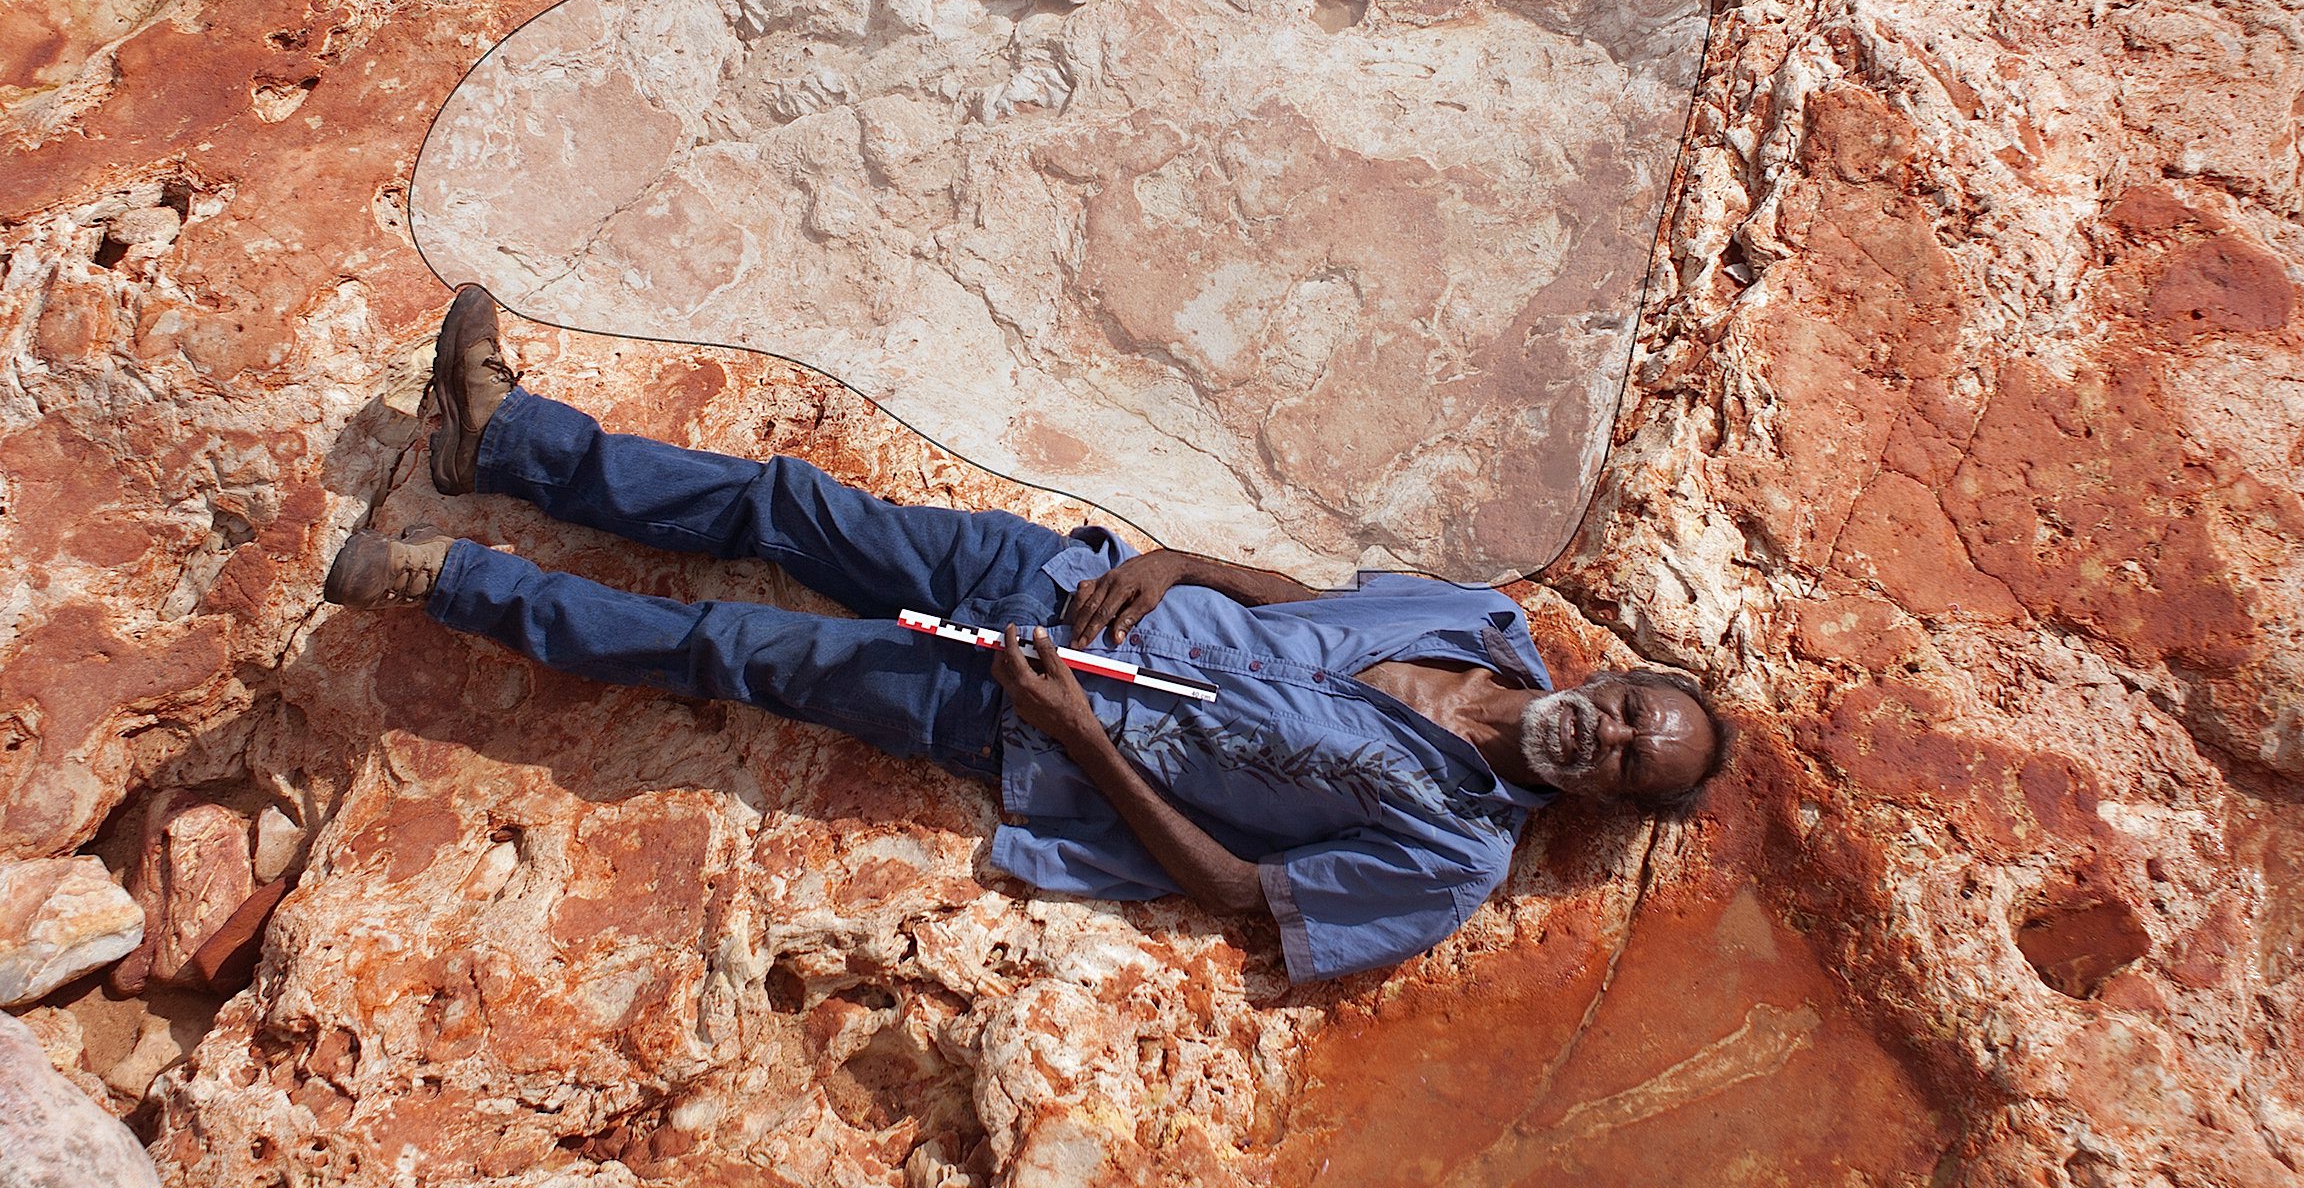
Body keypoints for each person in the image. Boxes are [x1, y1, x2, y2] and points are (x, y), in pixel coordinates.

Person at [326, 288, 1732, 982]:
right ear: (1617, 677)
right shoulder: (1487, 624)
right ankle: (506, 440)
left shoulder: (1452, 864)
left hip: (1028, 708)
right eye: (1628, 714)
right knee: (783, 505)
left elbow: (1247, 894)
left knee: (736, 654)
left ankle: (446, 583)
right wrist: (1182, 557)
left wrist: (1078, 742)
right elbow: (1317, 609)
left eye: (1626, 766)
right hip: (1059, 579)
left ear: (1608, 801)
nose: (1604, 738)